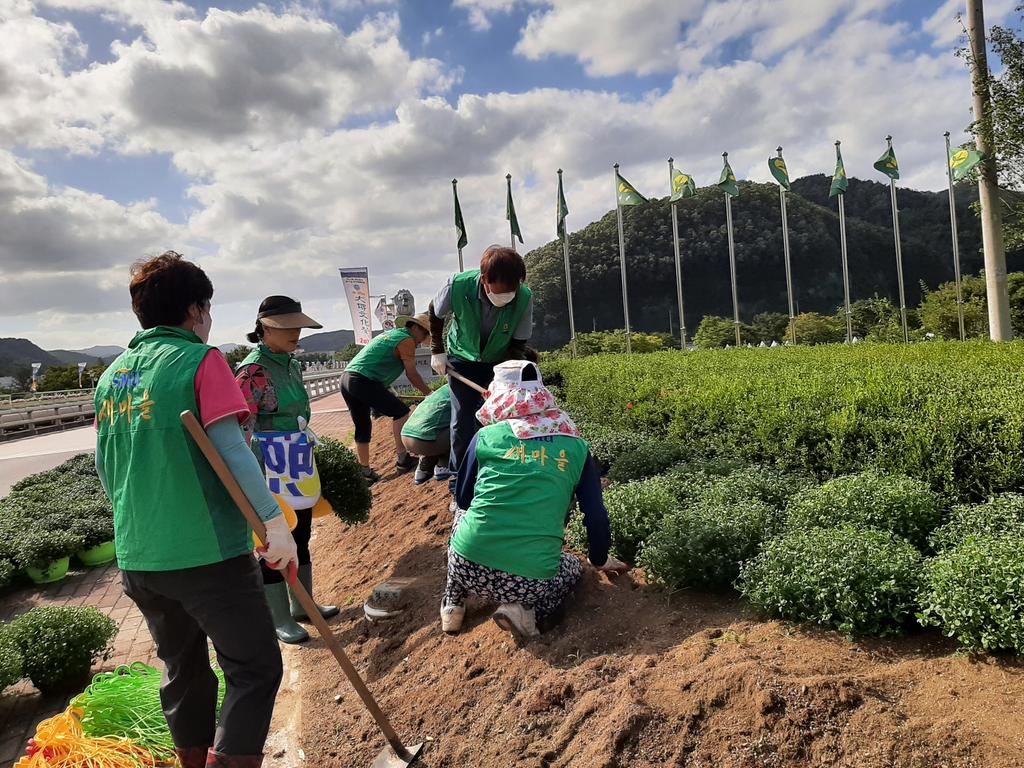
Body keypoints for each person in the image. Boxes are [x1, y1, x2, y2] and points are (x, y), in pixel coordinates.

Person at [94, 252, 295, 768]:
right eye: (207, 308)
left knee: (184, 670)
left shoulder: (112, 376)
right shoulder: (200, 361)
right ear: (194, 310)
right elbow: (232, 450)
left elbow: (104, 465)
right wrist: (273, 522)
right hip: (207, 556)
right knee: (254, 667)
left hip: (139, 558)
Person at [440, 360, 629, 639]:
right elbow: (596, 515)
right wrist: (599, 559)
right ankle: (524, 610)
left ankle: (453, 603)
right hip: (530, 580)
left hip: (466, 564)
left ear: (500, 398)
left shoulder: (485, 436)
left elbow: (464, 499)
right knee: (572, 568)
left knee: (461, 513)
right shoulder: (577, 447)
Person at [235, 296, 338, 645]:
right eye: (287, 327)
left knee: (302, 533)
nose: (296, 333)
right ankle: (279, 617)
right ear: (264, 329)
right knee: (273, 540)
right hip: (267, 464)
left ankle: (303, 605)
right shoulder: (252, 371)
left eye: (298, 327)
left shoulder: (291, 363)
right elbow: (240, 427)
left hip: (296, 459)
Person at [429, 246, 534, 498]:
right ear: (484, 280)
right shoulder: (457, 286)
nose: (507, 297)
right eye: (501, 291)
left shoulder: (524, 297)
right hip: (462, 359)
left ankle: (501, 471)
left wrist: (507, 379)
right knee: (463, 420)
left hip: (499, 359)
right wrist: (437, 350)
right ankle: (459, 483)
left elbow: (518, 342)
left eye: (512, 290)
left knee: (502, 416)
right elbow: (434, 312)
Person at [340, 313, 432, 482]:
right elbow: (412, 374)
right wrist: (429, 394)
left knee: (362, 426)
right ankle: (403, 459)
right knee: (401, 412)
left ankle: (365, 472)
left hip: (348, 378)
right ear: (415, 327)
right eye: (424, 334)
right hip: (362, 380)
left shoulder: (391, 335)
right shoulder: (407, 340)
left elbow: (375, 362)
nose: (423, 339)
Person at [399, 383, 451, 484]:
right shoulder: (463, 391)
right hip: (426, 441)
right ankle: (444, 465)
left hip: (406, 435)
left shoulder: (444, 390)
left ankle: (424, 467)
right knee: (468, 427)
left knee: (437, 426)